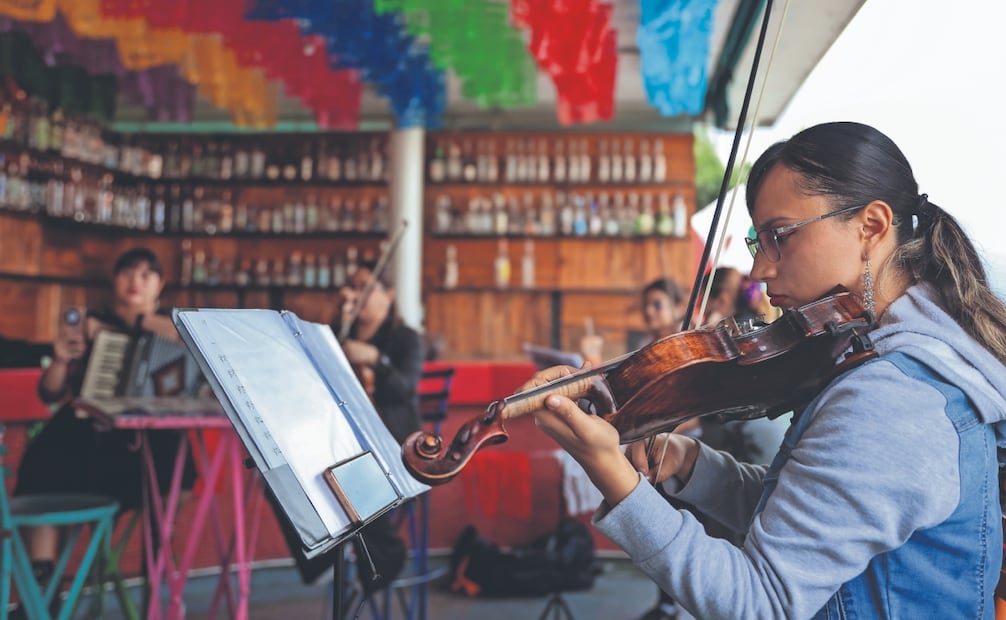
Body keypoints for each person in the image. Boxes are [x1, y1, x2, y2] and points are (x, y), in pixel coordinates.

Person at [522, 122, 1006, 618]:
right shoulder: (914, 364)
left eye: (781, 237)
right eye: (759, 243)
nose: (760, 270)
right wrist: (691, 463)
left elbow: (760, 603)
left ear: (872, 227)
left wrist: (610, 471)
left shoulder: (893, 398)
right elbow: (810, 517)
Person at [14, 247, 198, 593]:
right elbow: (50, 393)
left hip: (147, 445)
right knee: (44, 464)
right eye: (128, 272)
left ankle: (158, 566)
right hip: (89, 439)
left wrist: (137, 319)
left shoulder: (173, 324)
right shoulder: (90, 321)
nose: (135, 281)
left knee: (178, 463)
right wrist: (59, 359)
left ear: (160, 285)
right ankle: (42, 585)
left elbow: (189, 339)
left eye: (146, 275)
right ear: (115, 280)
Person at [331, 258, 425, 601]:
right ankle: (326, 558)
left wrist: (376, 359)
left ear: (388, 295)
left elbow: (406, 389)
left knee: (351, 473)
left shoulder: (405, 339)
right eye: (351, 287)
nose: (354, 294)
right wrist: (339, 339)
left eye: (364, 287)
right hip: (344, 443)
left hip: (395, 445)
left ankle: (382, 553)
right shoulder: (338, 333)